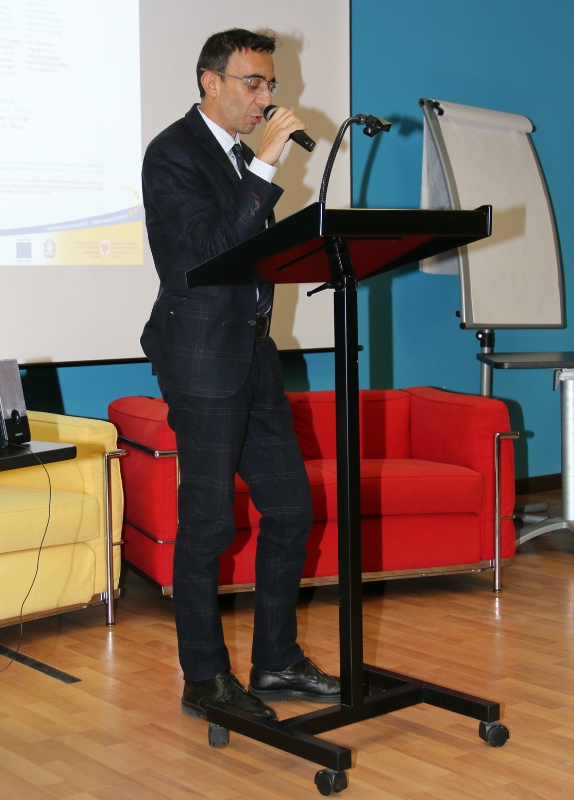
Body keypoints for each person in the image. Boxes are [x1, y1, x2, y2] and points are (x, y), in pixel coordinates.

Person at [141, 28, 340, 721]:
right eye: (253, 83)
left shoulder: (235, 157)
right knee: (207, 522)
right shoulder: (173, 153)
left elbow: (252, 251)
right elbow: (205, 254)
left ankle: (277, 659)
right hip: (201, 357)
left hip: (254, 352)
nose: (265, 98)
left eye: (269, 85)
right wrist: (264, 165)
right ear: (210, 82)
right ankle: (204, 678)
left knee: (290, 509)